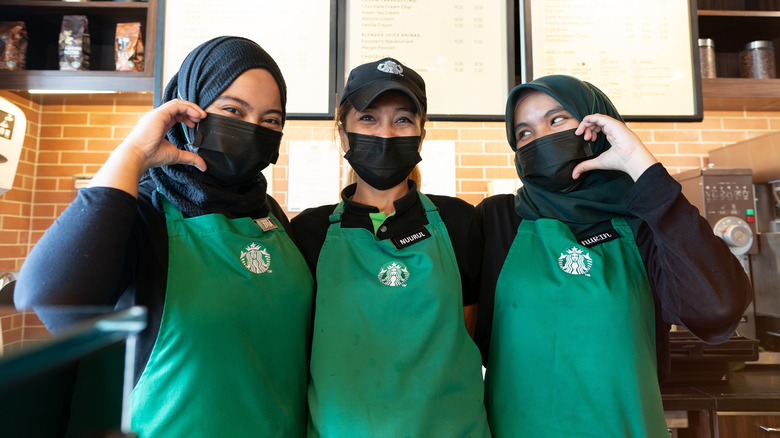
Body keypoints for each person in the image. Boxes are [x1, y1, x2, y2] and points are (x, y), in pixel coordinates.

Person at [14, 36, 314, 437]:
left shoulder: (270, 215)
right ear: (188, 110)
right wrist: (133, 154)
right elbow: (46, 297)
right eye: (232, 110)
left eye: (270, 120)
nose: (252, 129)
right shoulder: (143, 212)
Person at [474, 74, 754, 437]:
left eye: (557, 120)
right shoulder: (497, 220)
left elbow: (717, 307)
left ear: (597, 125)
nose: (540, 138)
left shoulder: (644, 222)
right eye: (524, 133)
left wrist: (640, 166)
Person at [290, 57, 490, 438]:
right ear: (344, 135)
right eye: (368, 118)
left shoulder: (460, 221)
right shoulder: (307, 233)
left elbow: (466, 332)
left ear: (421, 135)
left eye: (402, 119)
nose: (385, 133)